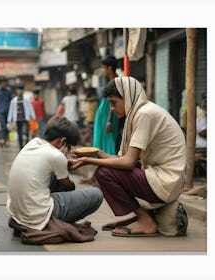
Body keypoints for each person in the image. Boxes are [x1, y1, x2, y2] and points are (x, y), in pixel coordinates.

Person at [69, 76, 186, 237]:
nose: (111, 108)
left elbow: (128, 162)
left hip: (166, 181)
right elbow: (127, 160)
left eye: (114, 102)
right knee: (109, 168)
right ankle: (140, 217)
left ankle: (145, 221)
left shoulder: (144, 114)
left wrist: (88, 160)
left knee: (103, 173)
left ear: (128, 97)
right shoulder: (142, 112)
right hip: (164, 178)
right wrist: (97, 153)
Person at [6, 116, 103, 232]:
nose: (68, 151)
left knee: (54, 176)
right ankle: (58, 220)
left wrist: (62, 166)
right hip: (37, 214)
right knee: (96, 194)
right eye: (68, 147)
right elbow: (68, 187)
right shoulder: (57, 156)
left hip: (18, 213)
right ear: (62, 141)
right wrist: (63, 167)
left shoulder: (32, 143)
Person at [80, 55, 119, 186]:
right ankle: (95, 177)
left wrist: (108, 121)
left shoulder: (116, 82)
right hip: (102, 118)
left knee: (107, 148)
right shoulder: (110, 81)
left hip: (108, 119)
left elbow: (113, 104)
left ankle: (103, 178)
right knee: (101, 146)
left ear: (109, 68)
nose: (103, 70)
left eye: (104, 67)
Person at [7, 85, 36, 150]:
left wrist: (33, 117)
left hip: (26, 119)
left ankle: (26, 145)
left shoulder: (27, 99)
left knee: (26, 132)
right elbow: (11, 110)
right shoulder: (13, 101)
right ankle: (21, 147)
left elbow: (31, 108)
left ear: (23, 92)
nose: (20, 92)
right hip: (17, 119)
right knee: (19, 134)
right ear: (16, 92)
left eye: (21, 91)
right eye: (19, 91)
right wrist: (9, 120)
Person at [0, 77, 13, 147]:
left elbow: (11, 100)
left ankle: (5, 139)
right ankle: (2, 139)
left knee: (7, 126)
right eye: (2, 83)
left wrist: (12, 111)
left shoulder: (9, 91)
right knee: (3, 125)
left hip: (8, 111)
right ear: (0, 84)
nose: (3, 84)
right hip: (0, 111)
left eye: (5, 82)